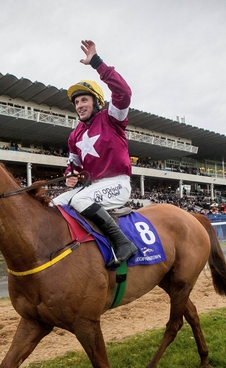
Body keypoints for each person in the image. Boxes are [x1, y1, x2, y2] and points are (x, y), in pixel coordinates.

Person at [51, 40, 137, 268]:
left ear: (97, 102)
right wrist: (71, 174)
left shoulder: (112, 118)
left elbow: (123, 92)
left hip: (118, 184)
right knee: (54, 204)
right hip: (92, 186)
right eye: (77, 102)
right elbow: (74, 165)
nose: (79, 105)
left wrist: (97, 63)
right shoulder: (74, 135)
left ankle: (123, 243)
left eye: (84, 100)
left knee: (80, 199)